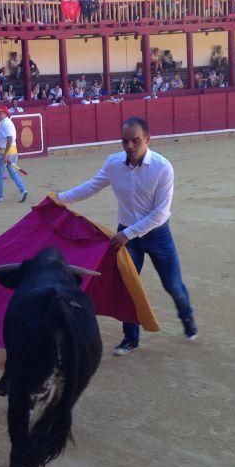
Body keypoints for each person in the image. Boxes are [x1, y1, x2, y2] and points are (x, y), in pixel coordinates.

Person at [57, 116, 197, 355]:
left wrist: (128, 234)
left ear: (148, 139)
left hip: (157, 235)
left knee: (173, 285)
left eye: (136, 141)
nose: (130, 146)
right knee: (127, 286)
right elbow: (91, 186)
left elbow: (160, 213)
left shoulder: (163, 167)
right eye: (125, 141)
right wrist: (59, 198)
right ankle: (130, 338)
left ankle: (186, 316)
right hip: (126, 235)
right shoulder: (113, 164)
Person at [0, 106, 28, 203]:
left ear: (6, 113)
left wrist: (4, 154)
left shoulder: (4, 124)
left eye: (0, 113)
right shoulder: (7, 122)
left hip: (5, 152)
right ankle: (23, 190)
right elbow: (5, 140)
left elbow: (9, 139)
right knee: (12, 172)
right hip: (12, 150)